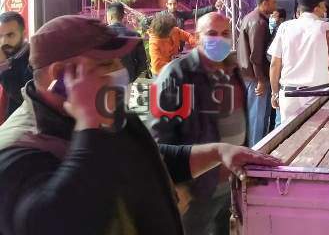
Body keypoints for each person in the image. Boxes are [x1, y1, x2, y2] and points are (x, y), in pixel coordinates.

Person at [0, 15, 280, 235]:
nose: (121, 72)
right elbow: (57, 223)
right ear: (61, 76)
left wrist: (218, 152)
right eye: (105, 65)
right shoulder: (18, 149)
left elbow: (147, 157)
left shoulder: (106, 116)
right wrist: (90, 127)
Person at [152, 12, 248, 235]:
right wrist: (175, 184)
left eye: (225, 33)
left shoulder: (232, 69)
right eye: (211, 33)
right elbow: (159, 135)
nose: (219, 39)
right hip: (195, 188)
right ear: (196, 37)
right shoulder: (176, 74)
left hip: (229, 182)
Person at [269, 0, 329, 125]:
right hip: (318, 93)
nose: (325, 10)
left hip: (289, 95)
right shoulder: (326, 28)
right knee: (319, 134)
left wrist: (274, 93)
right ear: (316, 9)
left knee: (289, 134)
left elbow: (275, 64)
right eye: (323, 6)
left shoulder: (285, 27)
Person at [237, 0, 277, 147]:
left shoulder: (250, 18)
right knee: (258, 120)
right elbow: (256, 55)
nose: (275, 6)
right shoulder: (258, 23)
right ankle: (256, 152)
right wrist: (260, 79)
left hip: (250, 76)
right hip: (256, 77)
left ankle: (255, 149)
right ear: (264, 3)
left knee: (256, 117)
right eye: (273, 3)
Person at [0, 12, 32, 121]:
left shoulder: (32, 58)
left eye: (10, 35)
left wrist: (3, 66)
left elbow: (24, 99)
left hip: (23, 125)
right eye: (0, 36)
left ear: (24, 34)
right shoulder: (6, 55)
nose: (4, 41)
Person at [107, 2, 149, 81]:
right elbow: (143, 62)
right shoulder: (135, 35)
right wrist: (132, 77)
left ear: (110, 16)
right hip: (127, 79)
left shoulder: (101, 35)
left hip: (106, 80)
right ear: (123, 16)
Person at [144, 0, 220, 31]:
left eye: (174, 4)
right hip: (166, 49)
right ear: (166, 5)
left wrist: (213, 7)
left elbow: (196, 12)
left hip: (179, 48)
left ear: (177, 4)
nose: (172, 6)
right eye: (170, 4)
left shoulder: (181, 15)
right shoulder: (161, 15)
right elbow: (146, 23)